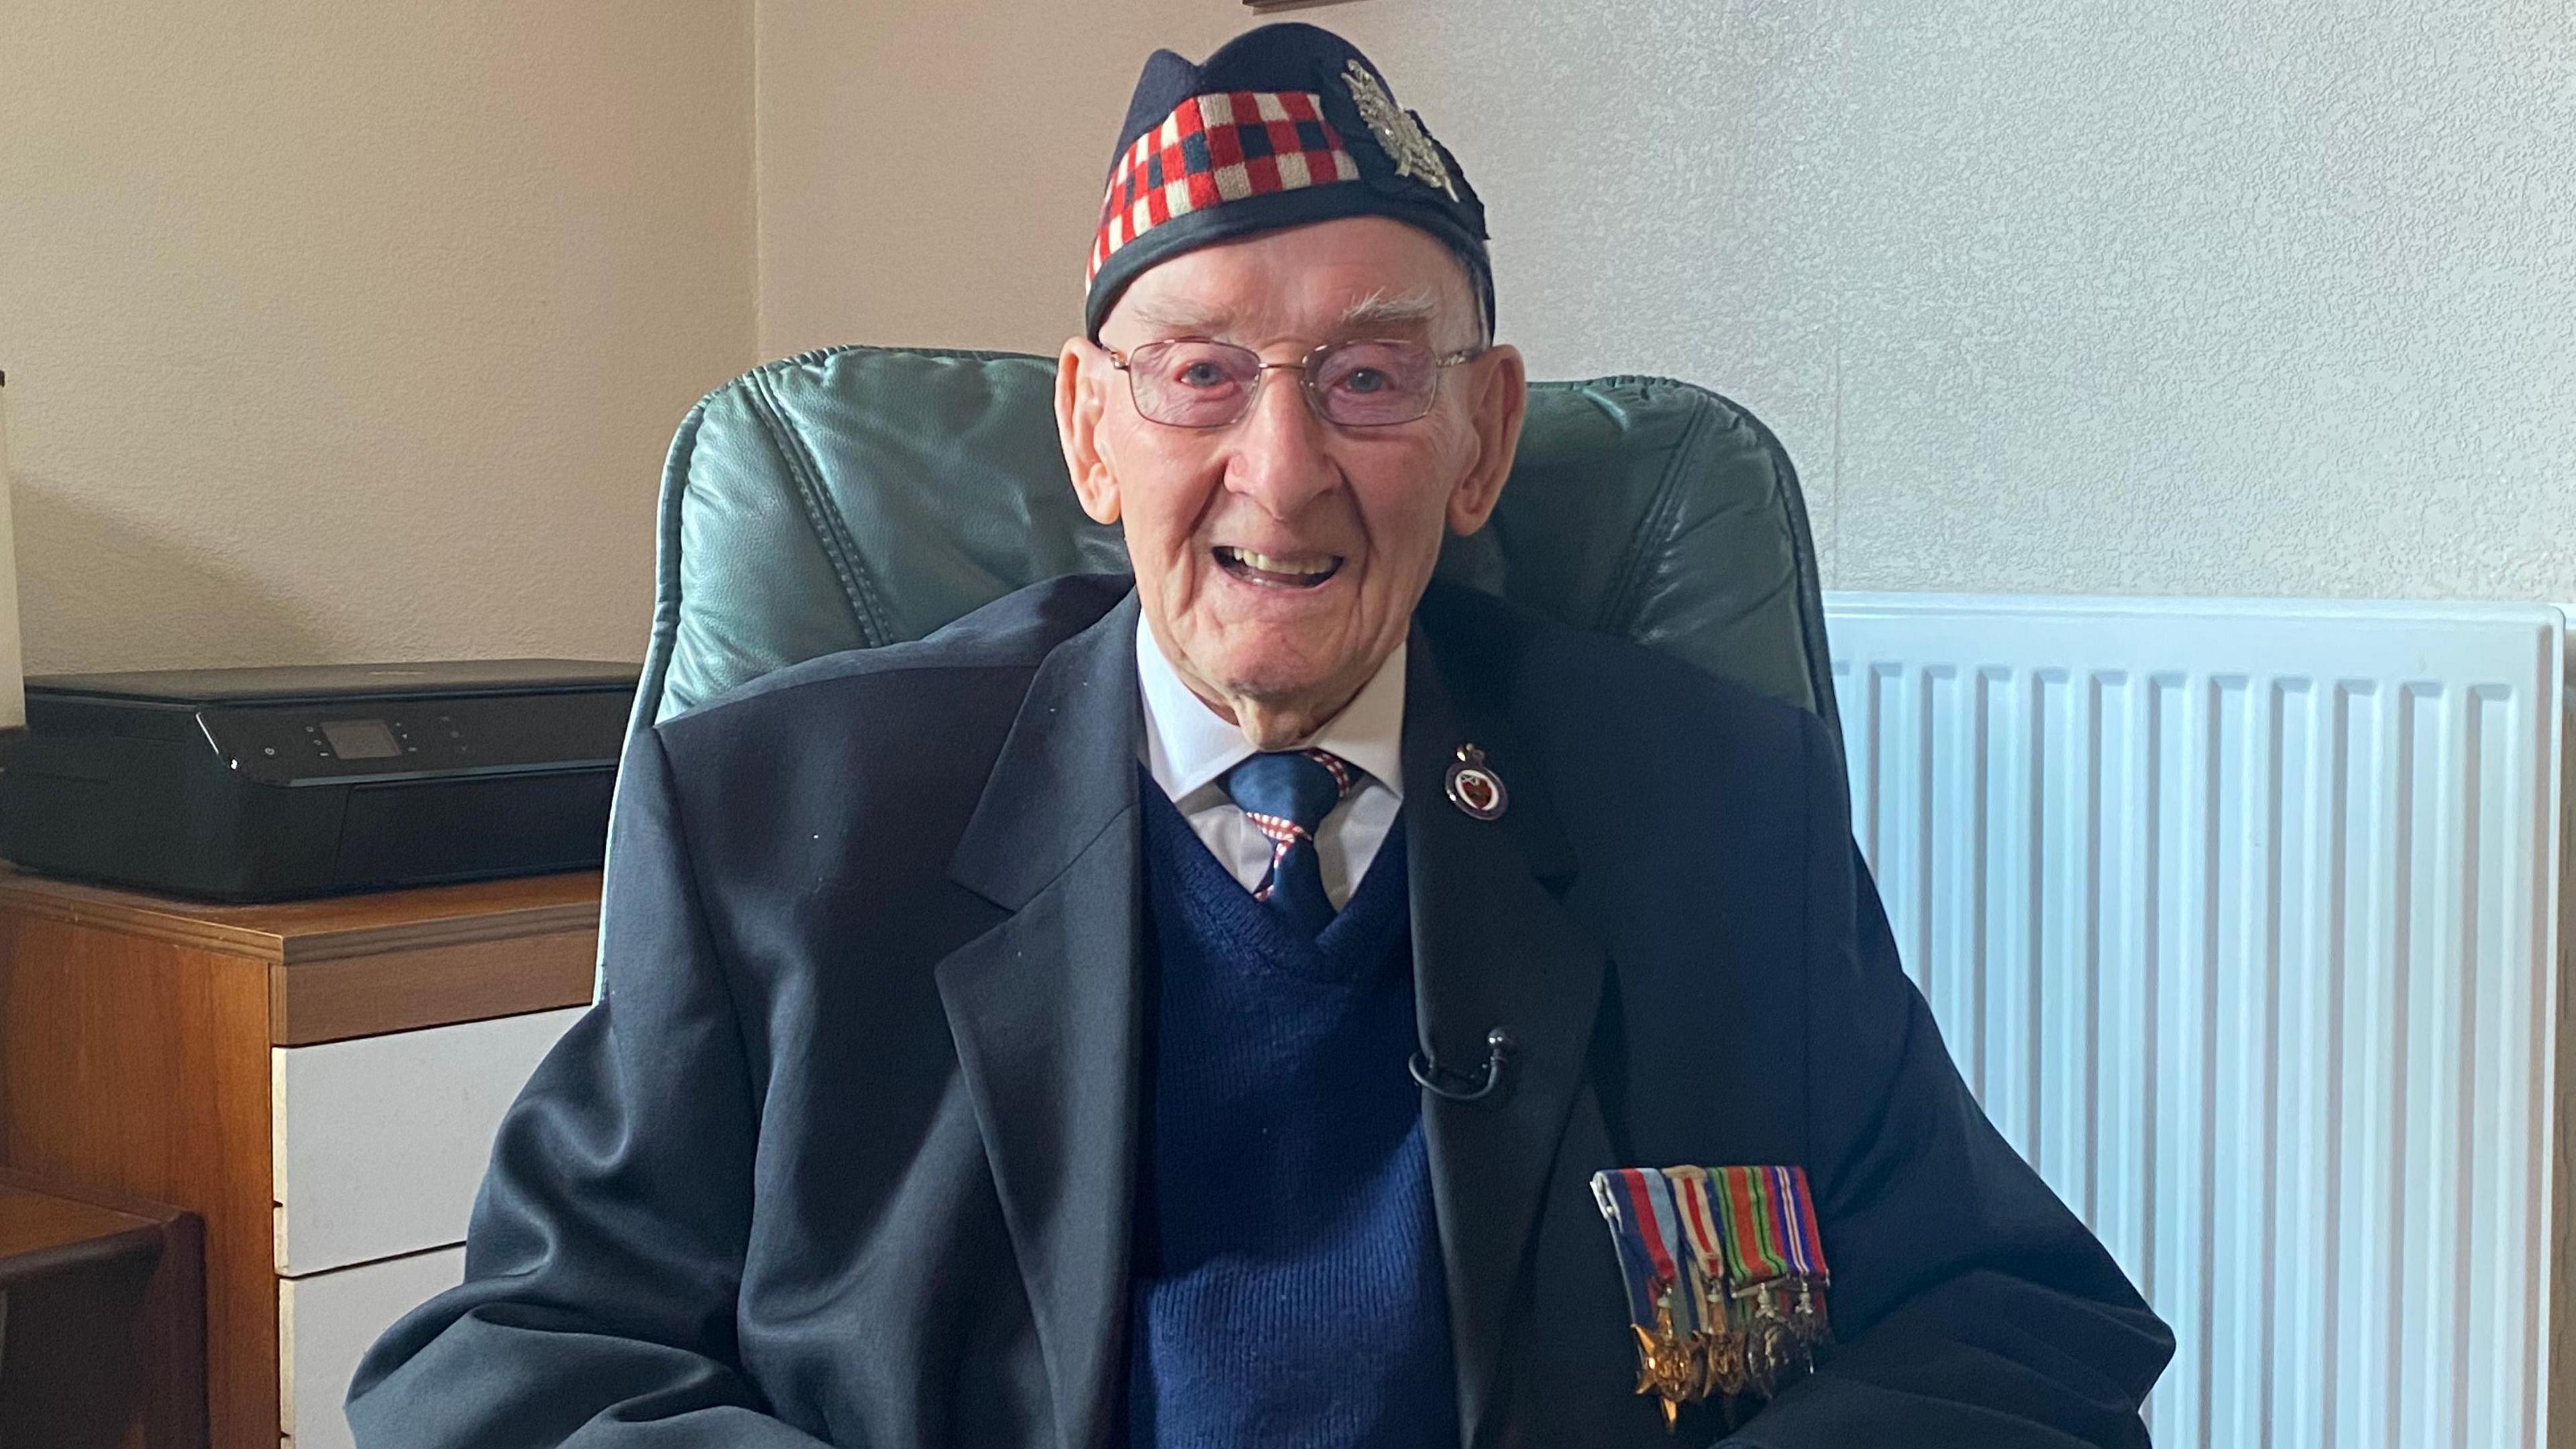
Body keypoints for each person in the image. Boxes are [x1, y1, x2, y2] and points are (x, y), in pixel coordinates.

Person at [349, 23, 2170, 1448]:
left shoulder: (1710, 806)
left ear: (1483, 438)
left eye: (1371, 376)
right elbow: (511, 1364)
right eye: (1200, 373)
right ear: (1089, 433)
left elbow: (2019, 1329)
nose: (1281, 474)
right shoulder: (778, 823)